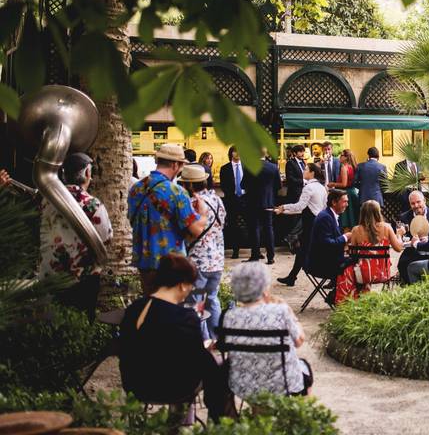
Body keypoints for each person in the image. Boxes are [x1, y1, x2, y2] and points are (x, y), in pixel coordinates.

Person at [1, 154, 113, 320]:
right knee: (81, 322)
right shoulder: (93, 205)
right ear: (87, 174)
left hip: (50, 275)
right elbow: (106, 237)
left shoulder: (45, 201)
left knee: (52, 322)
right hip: (82, 279)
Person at [119, 255, 230, 421]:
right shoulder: (185, 317)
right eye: (190, 286)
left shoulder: (135, 309)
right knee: (215, 366)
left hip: (136, 384)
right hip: (174, 388)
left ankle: (183, 423)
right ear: (182, 285)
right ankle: (217, 421)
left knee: (203, 362)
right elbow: (194, 359)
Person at [220, 262, 312, 397]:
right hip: (282, 383)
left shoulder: (229, 316)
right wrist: (293, 317)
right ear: (263, 287)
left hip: (243, 385)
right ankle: (297, 415)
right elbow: (299, 341)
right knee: (305, 367)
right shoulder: (281, 310)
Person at [129, 144, 206, 295]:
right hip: (171, 263)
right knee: (169, 310)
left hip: (144, 261)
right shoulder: (176, 191)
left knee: (151, 307)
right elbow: (196, 229)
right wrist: (203, 214)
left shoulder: (136, 188)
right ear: (175, 164)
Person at [179, 163, 225, 341]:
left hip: (198, 261)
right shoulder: (217, 200)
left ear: (189, 185)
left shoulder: (192, 204)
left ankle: (203, 342)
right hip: (217, 260)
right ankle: (217, 340)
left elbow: (188, 229)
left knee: (195, 303)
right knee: (212, 300)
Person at [335, 200, 405, 303]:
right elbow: (398, 248)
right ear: (378, 212)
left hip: (362, 274)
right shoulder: (387, 227)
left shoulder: (356, 230)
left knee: (345, 269)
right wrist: (399, 235)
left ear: (362, 213)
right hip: (382, 273)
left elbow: (352, 254)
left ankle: (353, 298)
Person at [275, 162, 328, 287]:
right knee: (303, 251)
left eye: (306, 169)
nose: (303, 171)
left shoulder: (308, 188)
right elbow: (306, 208)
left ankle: (292, 277)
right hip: (318, 221)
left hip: (310, 223)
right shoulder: (321, 187)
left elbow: (300, 206)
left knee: (304, 251)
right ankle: (292, 277)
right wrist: (283, 210)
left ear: (312, 173)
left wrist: (283, 207)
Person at [306, 189, 354, 305]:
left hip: (328, 259)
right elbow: (327, 244)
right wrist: (345, 237)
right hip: (320, 263)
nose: (347, 205)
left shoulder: (331, 215)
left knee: (356, 262)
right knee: (356, 266)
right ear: (334, 202)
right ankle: (339, 296)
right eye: (344, 202)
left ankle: (337, 294)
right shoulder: (325, 217)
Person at [247, 151, 281, 264]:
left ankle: (255, 255)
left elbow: (243, 184)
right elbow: (278, 186)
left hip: (253, 201)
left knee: (255, 228)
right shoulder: (273, 167)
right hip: (268, 201)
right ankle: (271, 256)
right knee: (269, 228)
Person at [219, 146, 251, 259]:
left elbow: (251, 182)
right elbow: (223, 185)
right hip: (232, 200)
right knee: (233, 225)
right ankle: (235, 250)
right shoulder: (225, 168)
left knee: (251, 224)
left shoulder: (247, 167)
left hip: (246, 199)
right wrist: (232, 195)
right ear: (231, 153)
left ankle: (255, 250)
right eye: (235, 151)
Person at [328, 149, 359, 229]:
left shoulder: (344, 168)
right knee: (353, 219)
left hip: (346, 194)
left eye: (341, 155)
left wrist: (333, 184)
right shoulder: (352, 166)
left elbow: (344, 184)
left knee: (346, 221)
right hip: (353, 193)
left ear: (346, 157)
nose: (339, 157)